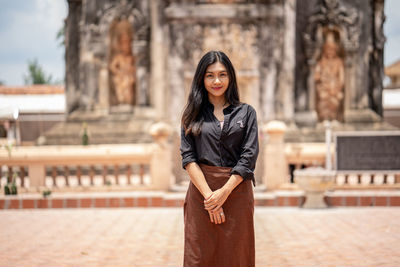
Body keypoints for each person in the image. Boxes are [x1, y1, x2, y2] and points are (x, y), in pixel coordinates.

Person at [180, 51, 259, 267]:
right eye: (210, 75)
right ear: (201, 79)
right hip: (201, 195)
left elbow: (248, 156)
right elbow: (188, 158)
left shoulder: (247, 113)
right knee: (199, 256)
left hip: (237, 194)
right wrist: (211, 199)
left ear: (231, 77)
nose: (217, 81)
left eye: (222, 75)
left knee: (236, 256)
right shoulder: (191, 115)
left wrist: (223, 193)